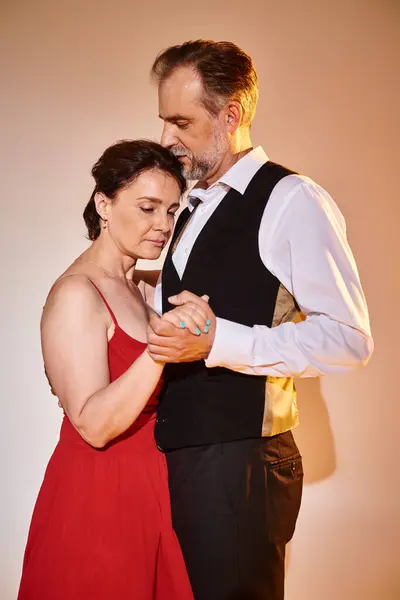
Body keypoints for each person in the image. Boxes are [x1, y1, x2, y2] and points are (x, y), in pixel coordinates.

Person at [136, 41, 374, 600]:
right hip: (182, 456)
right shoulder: (191, 204)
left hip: (242, 466)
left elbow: (349, 339)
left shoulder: (293, 200)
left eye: (182, 122)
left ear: (232, 115)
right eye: (163, 121)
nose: (167, 138)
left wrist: (219, 341)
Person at [17, 139, 198, 600]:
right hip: (98, 496)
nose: (162, 226)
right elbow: (93, 425)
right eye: (147, 208)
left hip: (149, 488)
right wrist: (160, 347)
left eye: (171, 211)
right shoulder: (76, 293)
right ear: (104, 203)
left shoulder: (139, 287)